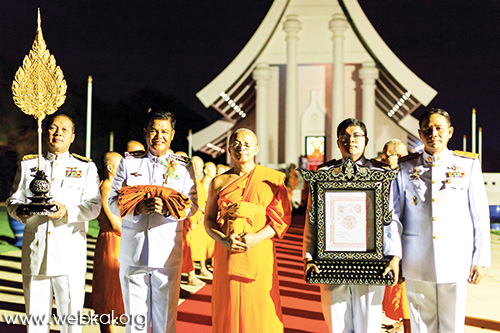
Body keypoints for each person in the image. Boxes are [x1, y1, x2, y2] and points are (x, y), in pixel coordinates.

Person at [388, 108, 491, 332]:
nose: (433, 133)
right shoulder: (405, 167)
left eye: (439, 128)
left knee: (452, 324)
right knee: (419, 324)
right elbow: (394, 216)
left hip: (455, 258)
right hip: (416, 259)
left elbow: (480, 215)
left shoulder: (467, 165)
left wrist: (479, 259)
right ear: (420, 133)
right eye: (428, 129)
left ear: (450, 132)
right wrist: (394, 255)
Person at [303, 118, 400, 333]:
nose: (351, 140)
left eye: (357, 136)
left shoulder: (381, 174)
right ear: (338, 142)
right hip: (330, 260)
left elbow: (391, 218)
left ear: (365, 141)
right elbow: (312, 218)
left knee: (369, 323)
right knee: (336, 323)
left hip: (373, 260)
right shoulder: (323, 174)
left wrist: (394, 256)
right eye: (345, 136)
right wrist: (309, 258)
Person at [7, 114, 101, 333]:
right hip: (36, 251)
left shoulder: (85, 167)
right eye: (54, 128)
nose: (58, 133)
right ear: (46, 131)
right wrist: (20, 211)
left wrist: (67, 212)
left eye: (64, 130)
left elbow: (94, 206)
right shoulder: (29, 164)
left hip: (68, 254)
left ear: (72, 136)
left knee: (70, 317)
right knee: (36, 319)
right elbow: (13, 199)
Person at [109, 109, 197, 333]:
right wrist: (135, 208)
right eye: (154, 130)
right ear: (146, 133)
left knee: (165, 319)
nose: (159, 135)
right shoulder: (128, 163)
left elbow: (193, 205)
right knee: (135, 320)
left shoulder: (183, 166)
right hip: (134, 251)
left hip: (167, 253)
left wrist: (169, 209)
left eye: (164, 131)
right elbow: (111, 202)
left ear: (173, 134)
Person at [204, 128, 291, 332]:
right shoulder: (218, 182)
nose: (241, 148)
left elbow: (282, 219)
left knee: (259, 304)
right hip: (227, 250)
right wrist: (223, 239)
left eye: (246, 144)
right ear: (229, 149)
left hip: (259, 250)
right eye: (236, 143)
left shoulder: (271, 180)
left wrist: (256, 238)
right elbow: (208, 220)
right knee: (228, 303)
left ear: (256, 149)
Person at [380, 140, 411, 333]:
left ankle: (408, 326)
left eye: (387, 156)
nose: (384, 159)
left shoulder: (409, 177)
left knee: (406, 295)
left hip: (407, 243)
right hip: (388, 242)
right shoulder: (384, 177)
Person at [92, 152, 125, 333]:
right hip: (111, 240)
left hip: (119, 239)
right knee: (108, 287)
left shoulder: (117, 187)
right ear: (110, 167)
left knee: (117, 285)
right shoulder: (106, 187)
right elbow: (114, 221)